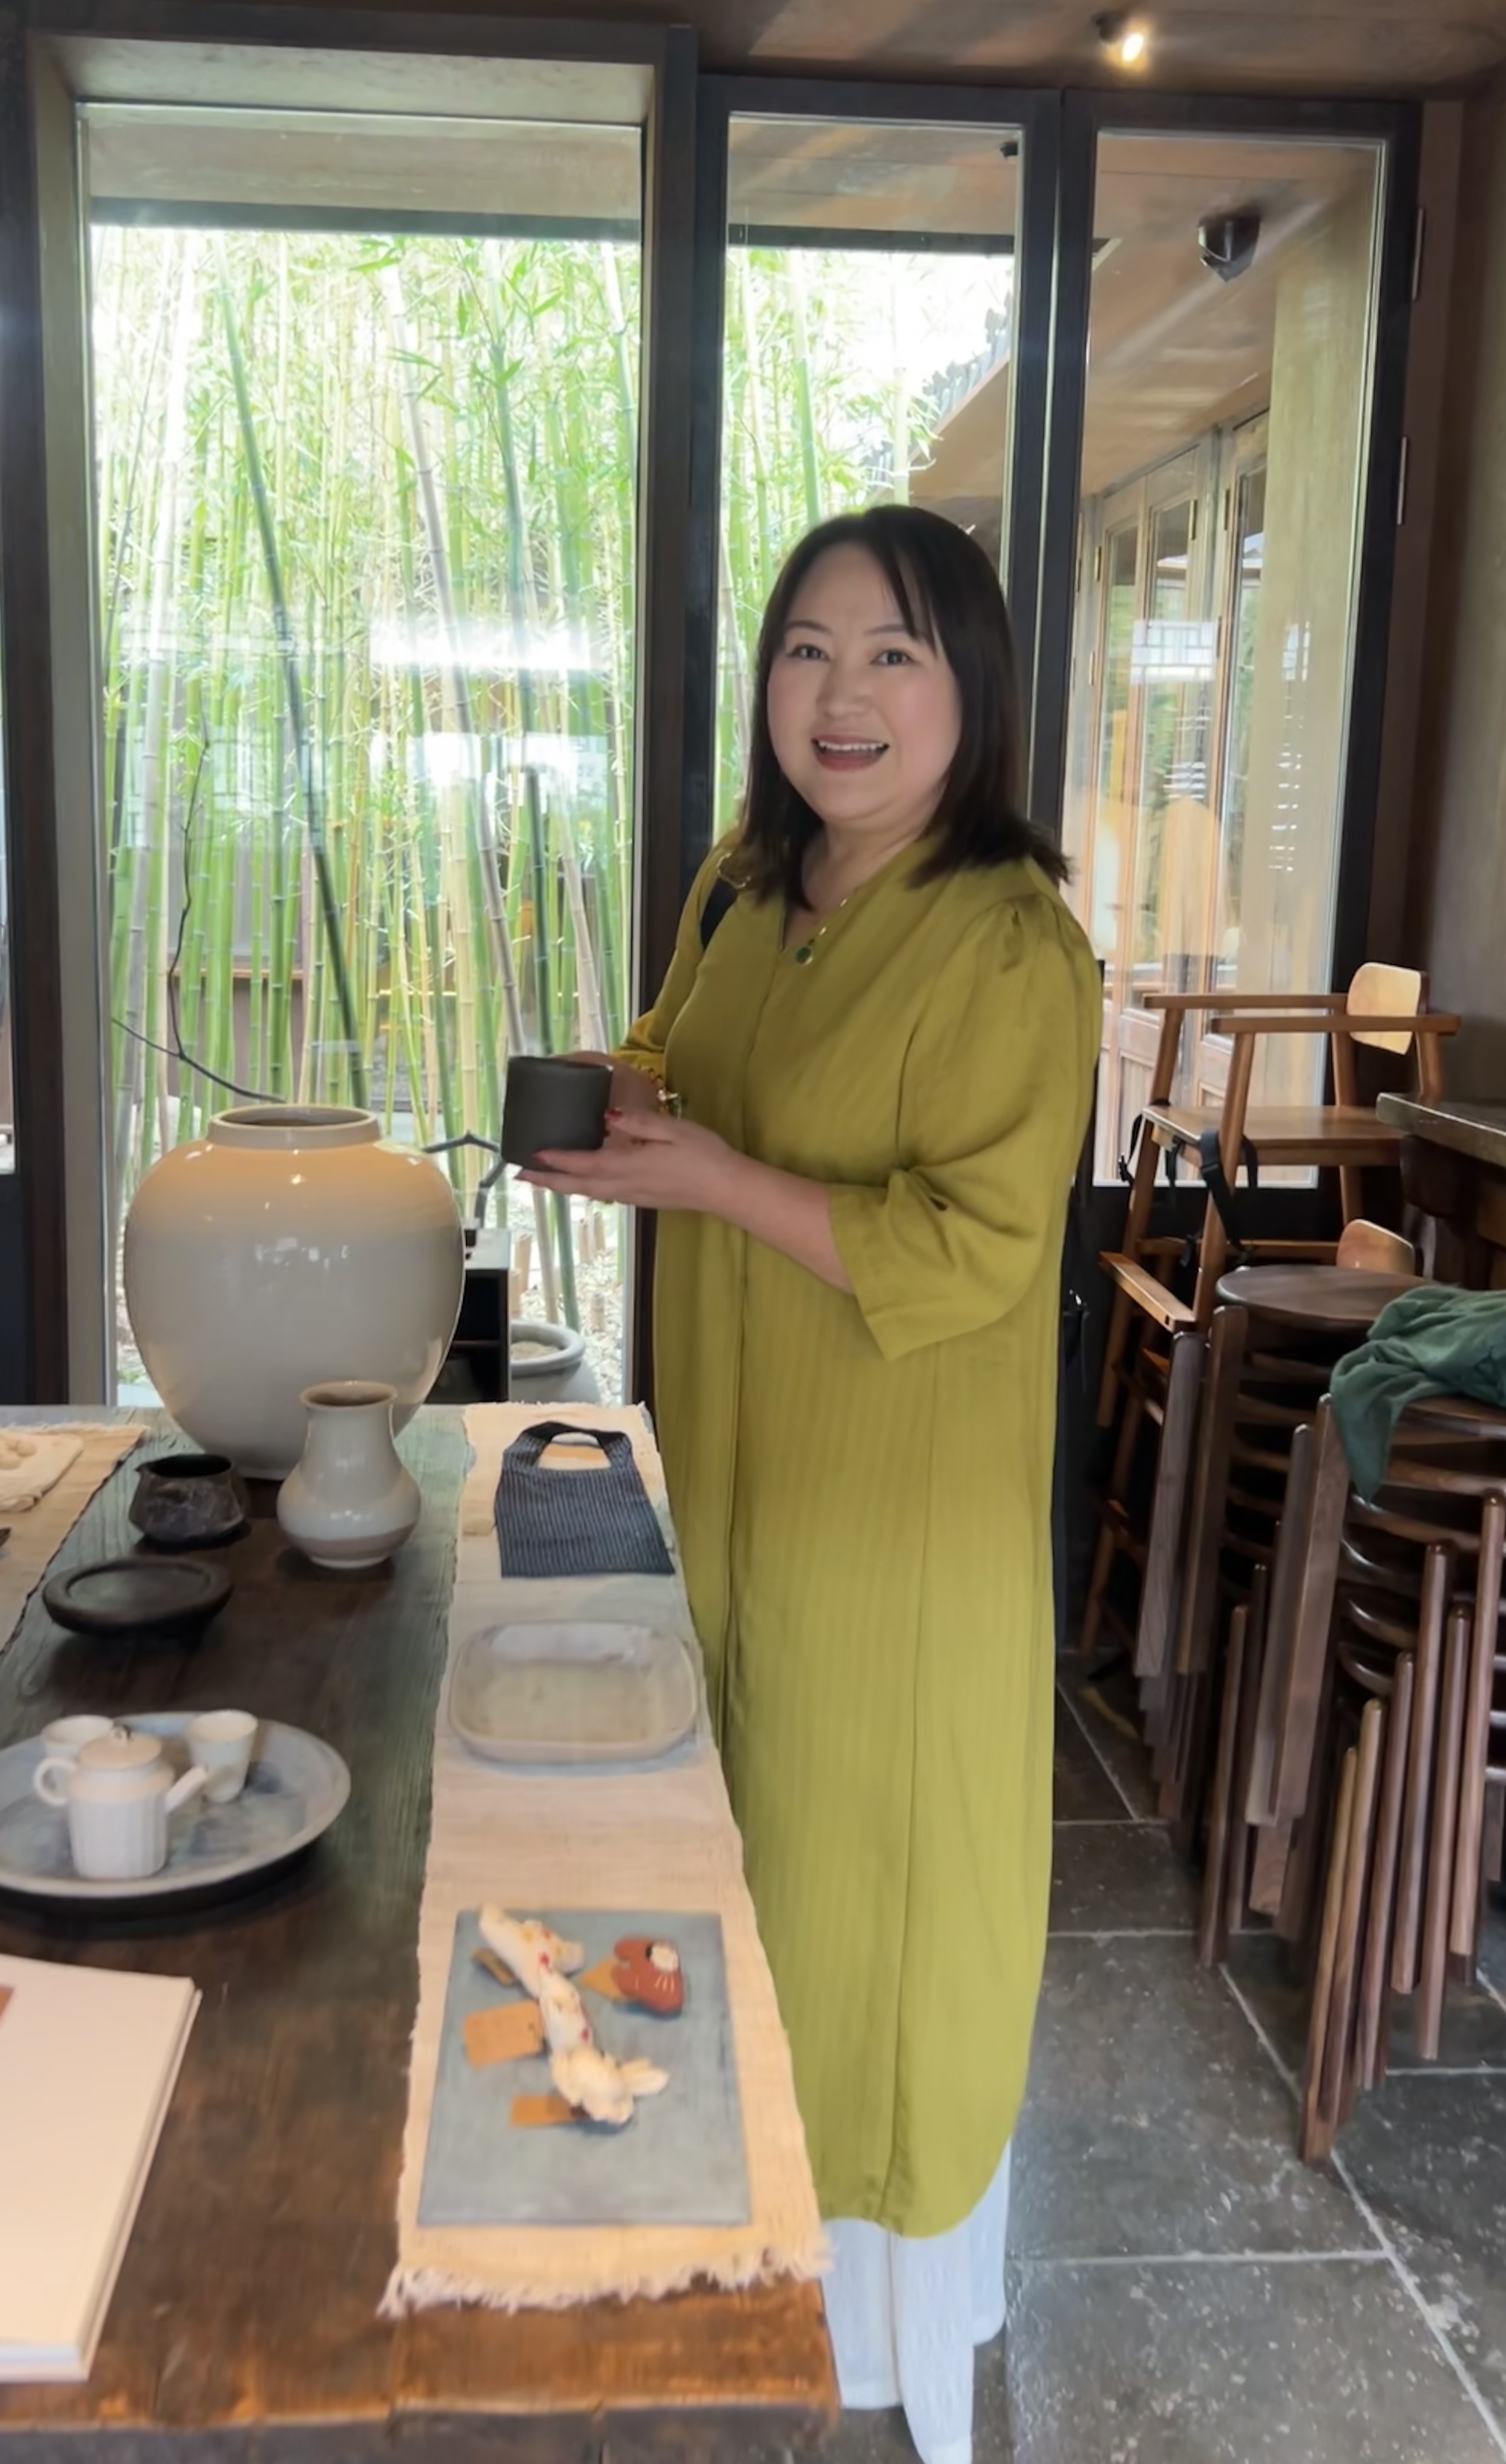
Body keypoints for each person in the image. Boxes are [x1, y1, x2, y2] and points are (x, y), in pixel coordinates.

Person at [523, 505, 1100, 2464]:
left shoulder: (1010, 941)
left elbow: (976, 1246)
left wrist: (710, 1179)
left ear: (971, 691)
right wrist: (625, 1106)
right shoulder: (740, 884)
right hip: (736, 1484)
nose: (840, 696)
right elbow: (674, 1054)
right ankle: (729, 2231)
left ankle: (882, 2322)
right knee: (741, 1852)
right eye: (807, 650)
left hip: (896, 1525)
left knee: (884, 1900)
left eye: (894, 655)